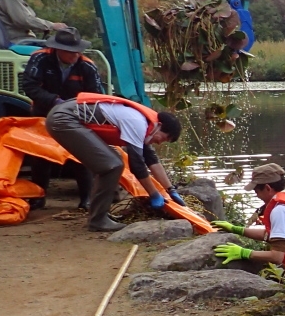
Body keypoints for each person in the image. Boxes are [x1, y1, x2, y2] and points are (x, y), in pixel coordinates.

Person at [44, 93, 183, 233]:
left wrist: (170, 190)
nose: (159, 143)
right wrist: (154, 194)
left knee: (112, 163)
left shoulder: (148, 126)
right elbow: (137, 166)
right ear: (159, 126)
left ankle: (99, 214)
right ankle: (98, 220)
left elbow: (151, 159)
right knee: (112, 165)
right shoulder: (137, 122)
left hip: (65, 116)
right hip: (64, 119)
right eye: (163, 138)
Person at [20, 29, 104, 210]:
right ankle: (38, 197)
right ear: (58, 49)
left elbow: (95, 96)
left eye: (77, 51)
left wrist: (74, 108)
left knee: (80, 155)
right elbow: (30, 86)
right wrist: (54, 101)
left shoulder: (87, 66)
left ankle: (87, 199)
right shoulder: (40, 59)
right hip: (43, 112)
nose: (75, 55)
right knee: (40, 154)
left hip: (76, 116)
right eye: (70, 52)